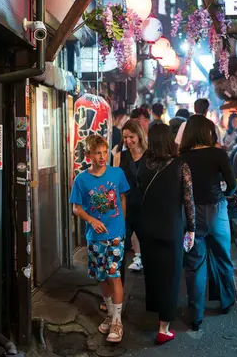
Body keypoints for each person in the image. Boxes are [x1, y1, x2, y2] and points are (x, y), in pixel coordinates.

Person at [137, 123, 196, 345]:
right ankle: (164, 328)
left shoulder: (143, 164)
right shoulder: (181, 165)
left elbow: (138, 194)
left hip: (147, 228)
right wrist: (191, 228)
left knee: (153, 273)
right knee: (171, 277)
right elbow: (189, 200)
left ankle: (155, 311)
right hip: (171, 228)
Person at [179, 115, 237, 331]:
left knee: (194, 264)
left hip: (190, 216)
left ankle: (196, 315)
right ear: (208, 132)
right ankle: (226, 301)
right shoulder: (218, 154)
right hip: (217, 211)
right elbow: (232, 185)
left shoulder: (182, 157)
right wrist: (224, 194)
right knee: (223, 257)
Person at [70, 135, 130, 343]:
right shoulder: (81, 179)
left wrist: (122, 223)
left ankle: (117, 321)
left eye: (105, 152)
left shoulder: (117, 173)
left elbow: (123, 197)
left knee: (113, 274)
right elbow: (76, 208)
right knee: (101, 276)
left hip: (115, 235)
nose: (102, 156)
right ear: (88, 155)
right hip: (95, 236)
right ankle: (110, 313)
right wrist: (91, 220)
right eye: (97, 153)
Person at [113, 120, 147, 272]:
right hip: (125, 205)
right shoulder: (119, 156)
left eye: (131, 136)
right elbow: (114, 184)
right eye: (125, 137)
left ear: (139, 135)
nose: (128, 140)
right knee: (121, 247)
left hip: (145, 205)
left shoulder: (149, 156)